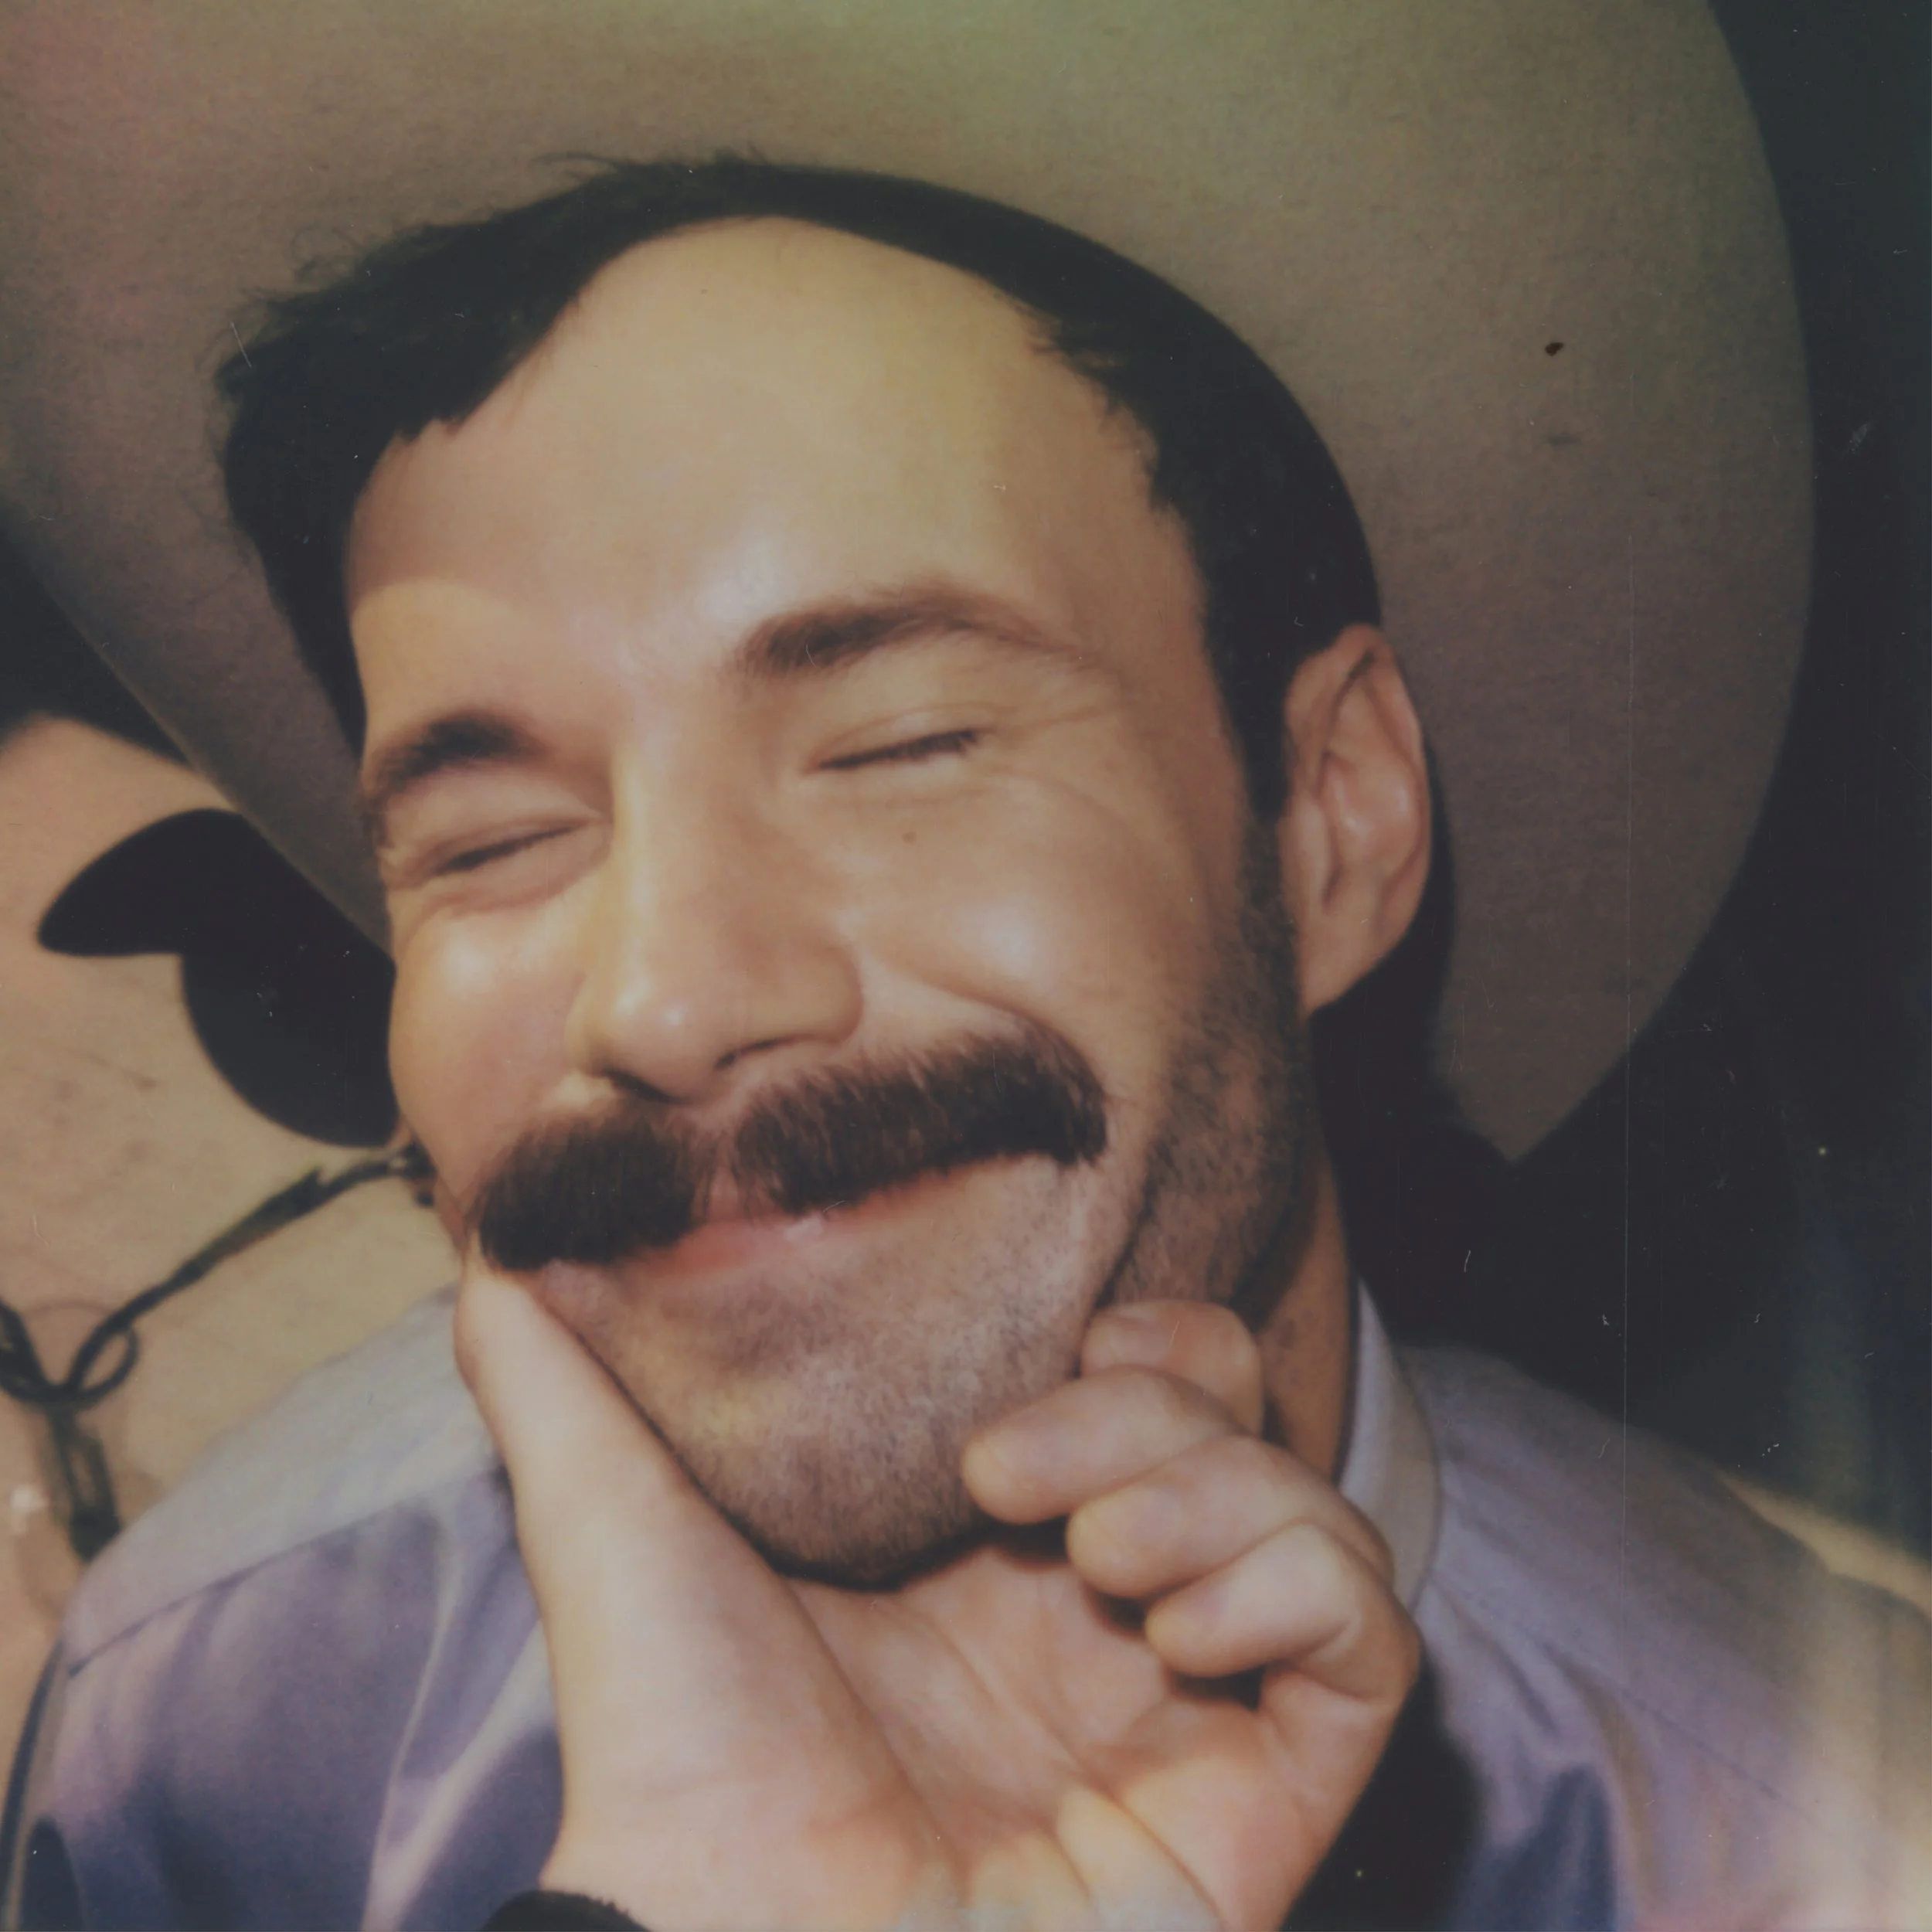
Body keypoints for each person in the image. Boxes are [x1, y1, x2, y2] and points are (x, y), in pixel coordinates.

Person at [2, 157, 1923, 1932]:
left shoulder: (1818, 1845)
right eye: (492, 841)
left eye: (901, 746)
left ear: (1329, 822)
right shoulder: (201, 1714)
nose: (659, 1002)